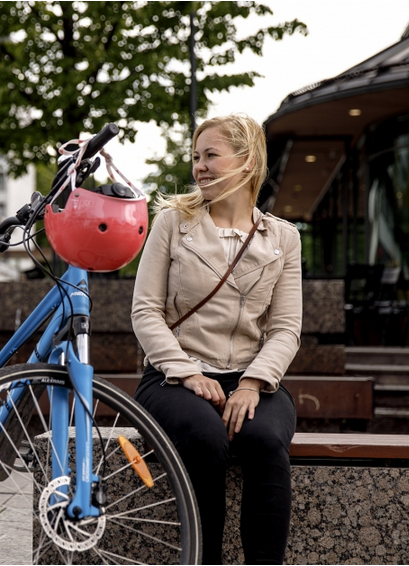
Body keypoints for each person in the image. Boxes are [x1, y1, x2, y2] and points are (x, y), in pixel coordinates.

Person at [131, 114, 302, 564]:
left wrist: (252, 382)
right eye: (195, 157)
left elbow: (285, 328)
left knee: (265, 441)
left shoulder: (283, 238)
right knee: (208, 438)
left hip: (251, 378)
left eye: (211, 155)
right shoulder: (171, 222)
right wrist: (187, 372)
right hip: (172, 377)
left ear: (247, 162)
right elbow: (145, 311)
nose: (199, 167)